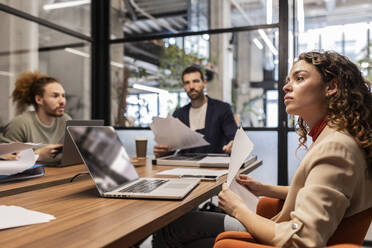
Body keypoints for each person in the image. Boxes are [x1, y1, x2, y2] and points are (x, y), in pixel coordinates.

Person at [152, 51, 372, 247]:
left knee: (172, 229)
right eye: (288, 80)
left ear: (331, 87)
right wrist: (266, 189)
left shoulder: (335, 146)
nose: (286, 86)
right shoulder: (338, 137)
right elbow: (320, 191)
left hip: (281, 235)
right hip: (284, 228)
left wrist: (238, 209)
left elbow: (302, 239)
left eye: (299, 78)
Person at [153, 65, 238, 157]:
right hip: (186, 166)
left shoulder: (222, 109)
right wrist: (162, 151)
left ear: (204, 83)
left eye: (196, 81)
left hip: (215, 165)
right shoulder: (179, 114)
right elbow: (171, 148)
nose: (191, 86)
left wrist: (233, 145)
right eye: (187, 83)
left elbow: (234, 138)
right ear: (184, 87)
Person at [0, 71, 71, 162]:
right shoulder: (20, 124)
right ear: (39, 99)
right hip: (32, 175)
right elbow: (4, 160)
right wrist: (38, 155)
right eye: (55, 96)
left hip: (61, 173)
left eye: (63, 96)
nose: (62, 101)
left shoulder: (66, 120)